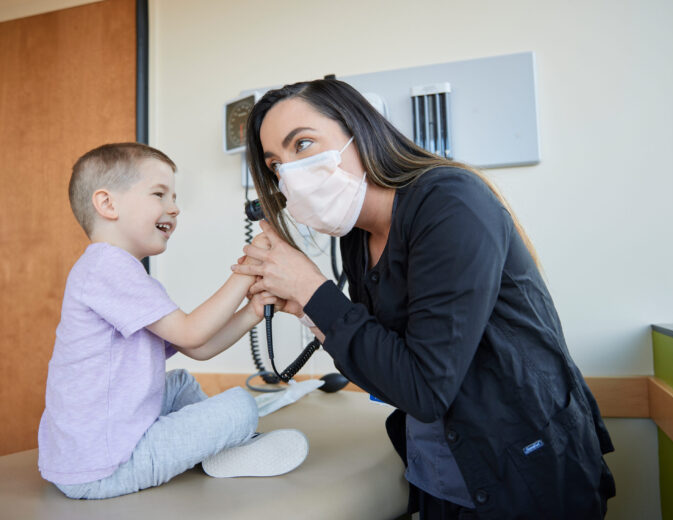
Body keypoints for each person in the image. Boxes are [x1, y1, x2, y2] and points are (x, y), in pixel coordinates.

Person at [231, 79, 616, 520]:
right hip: (440, 468)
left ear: (361, 130)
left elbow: (426, 388)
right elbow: (391, 370)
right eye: (276, 164)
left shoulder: (451, 202)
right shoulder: (358, 236)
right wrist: (308, 308)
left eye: (303, 144)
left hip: (523, 468)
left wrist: (312, 288)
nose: (290, 174)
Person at [38, 142, 308, 500]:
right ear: (107, 204)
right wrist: (247, 271)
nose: (175, 208)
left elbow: (198, 347)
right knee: (240, 406)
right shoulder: (107, 266)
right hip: (103, 466)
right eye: (159, 194)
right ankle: (226, 443)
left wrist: (253, 311)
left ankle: (218, 445)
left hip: (89, 451)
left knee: (179, 382)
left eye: (174, 197)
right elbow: (192, 332)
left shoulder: (117, 273)